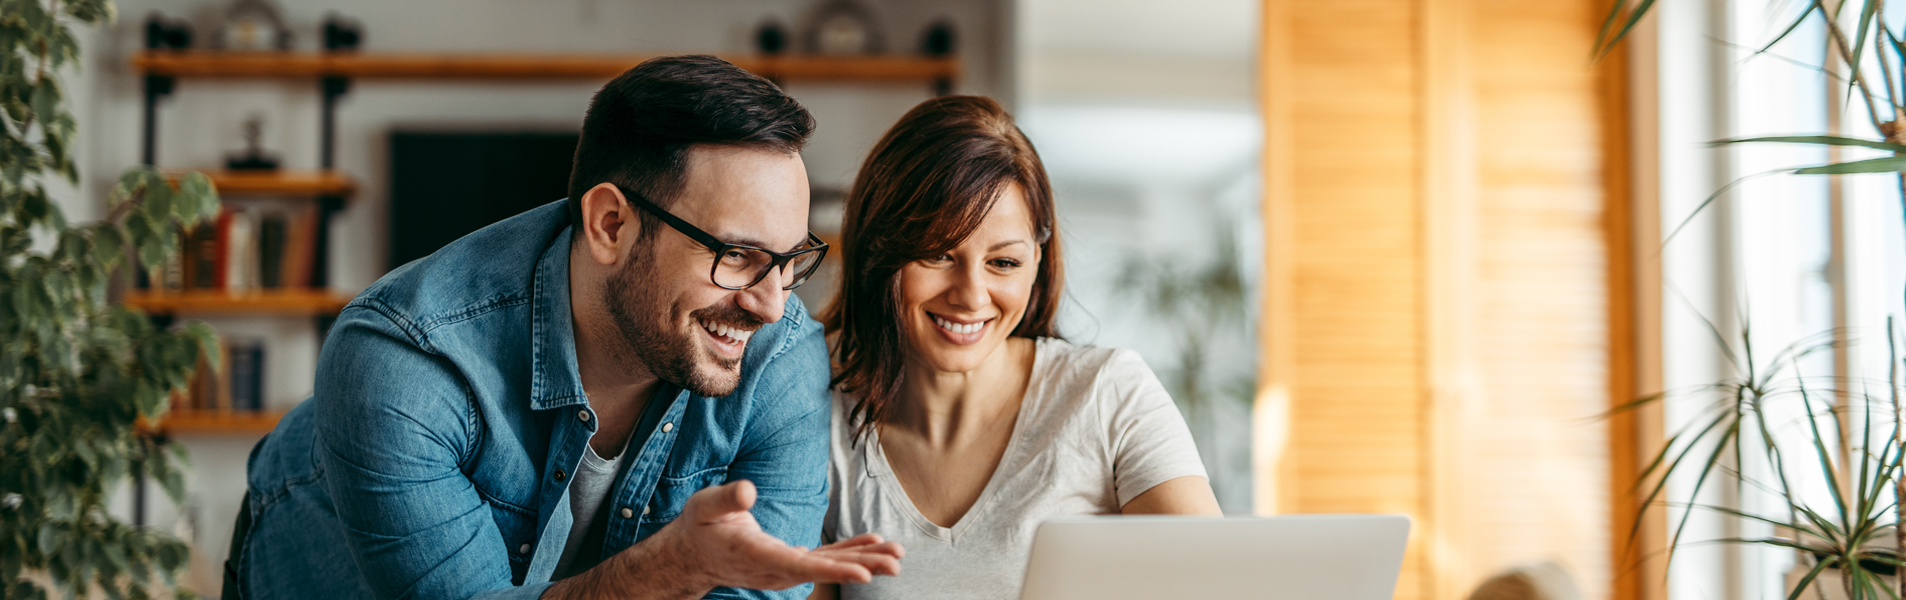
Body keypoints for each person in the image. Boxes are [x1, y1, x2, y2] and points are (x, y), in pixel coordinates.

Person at [224, 55, 903, 600]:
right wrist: (671, 571)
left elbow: (755, 593)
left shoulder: (783, 354)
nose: (771, 304)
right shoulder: (404, 360)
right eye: (736, 257)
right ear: (611, 225)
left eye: (789, 262)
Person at [812, 96, 1221, 600]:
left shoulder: (1108, 395)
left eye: (1003, 263)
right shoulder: (811, 405)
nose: (970, 296)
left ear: (1037, 263)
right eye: (938, 255)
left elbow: (1213, 581)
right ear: (878, 249)